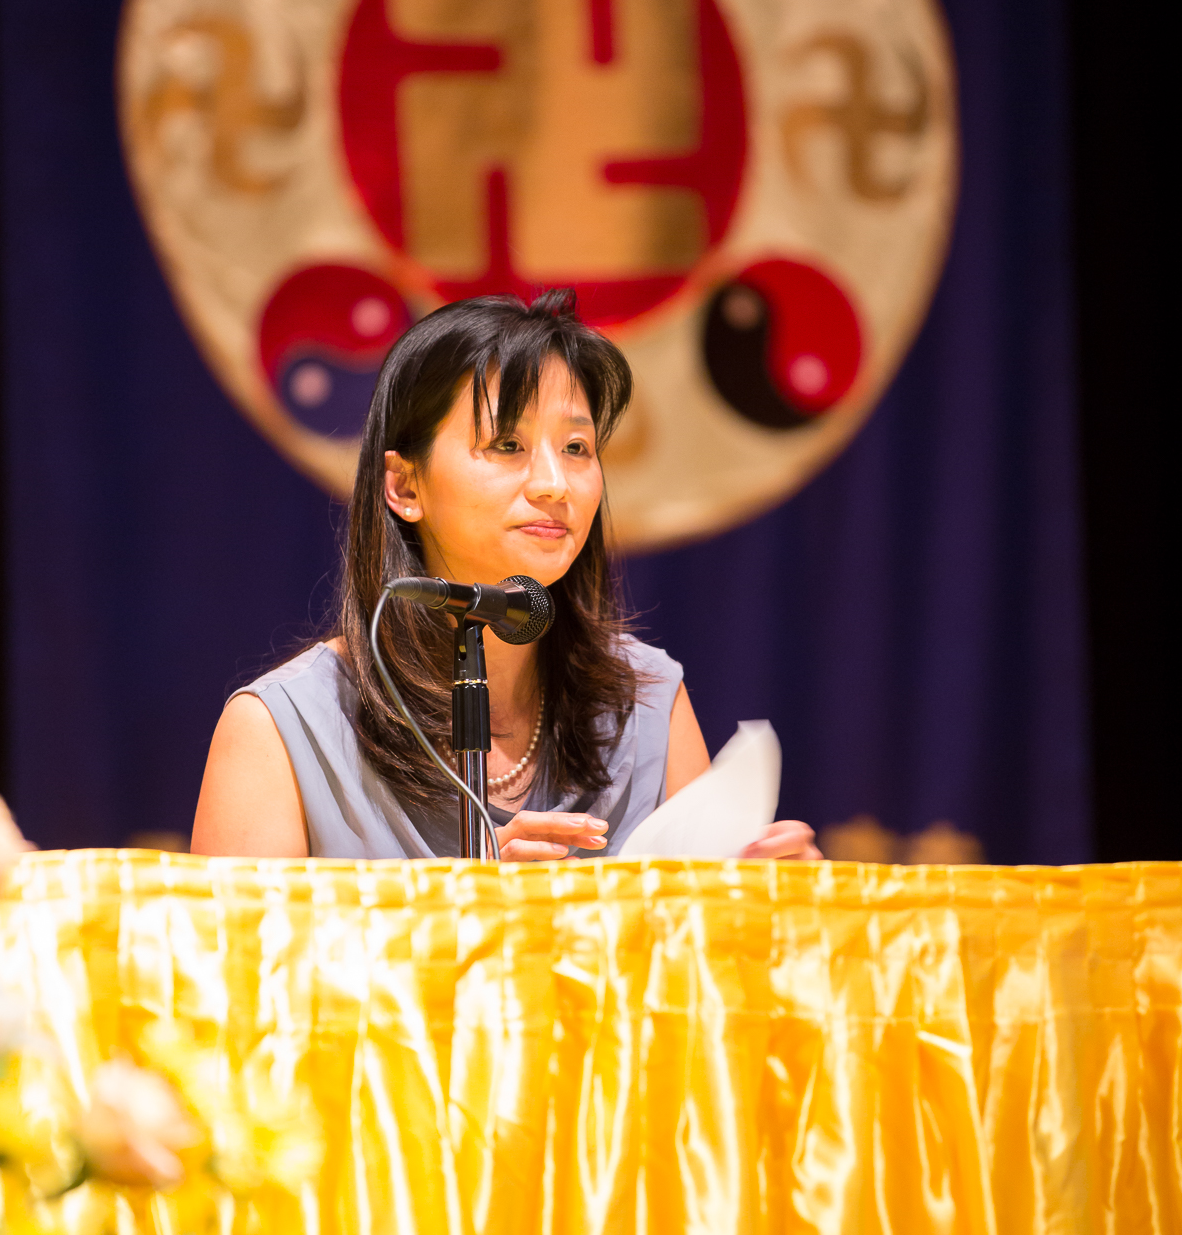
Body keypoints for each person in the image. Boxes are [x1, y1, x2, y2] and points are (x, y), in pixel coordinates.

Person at [191, 291, 819, 863]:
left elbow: (704, 949)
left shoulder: (645, 702)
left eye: (576, 448)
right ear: (405, 486)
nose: (554, 484)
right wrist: (474, 917)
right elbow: (235, 957)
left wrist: (767, 909)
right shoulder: (280, 730)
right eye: (507, 445)